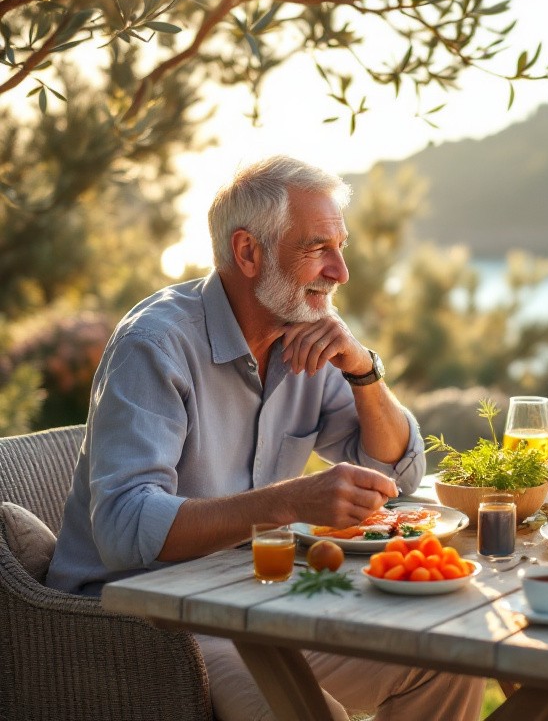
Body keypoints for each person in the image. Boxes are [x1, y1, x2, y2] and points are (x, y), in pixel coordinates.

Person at [46, 156, 485, 721]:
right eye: (317, 248)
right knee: (304, 711)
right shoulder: (155, 345)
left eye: (341, 247)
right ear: (249, 252)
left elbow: (398, 476)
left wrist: (363, 371)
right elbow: (126, 528)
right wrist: (287, 503)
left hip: (248, 603)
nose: (340, 272)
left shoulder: (305, 334)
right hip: (136, 626)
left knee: (442, 660)